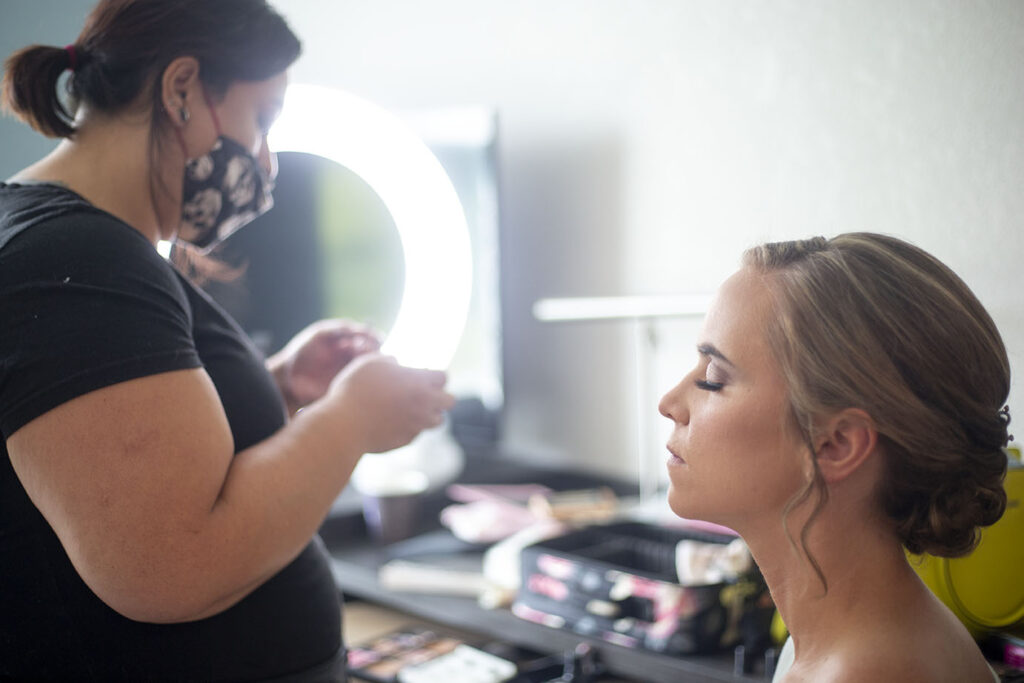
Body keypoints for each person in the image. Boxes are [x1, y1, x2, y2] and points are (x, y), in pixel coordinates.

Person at [0, 1, 454, 680]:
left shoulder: (71, 244)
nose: (265, 159)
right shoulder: (78, 258)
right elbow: (170, 561)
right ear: (181, 88)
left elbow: (124, 449)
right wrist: (352, 417)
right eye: (262, 118)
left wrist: (272, 384)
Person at [658, 233, 1010, 682]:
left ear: (837, 444)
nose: (669, 402)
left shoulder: (867, 672)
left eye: (713, 378)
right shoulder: (832, 644)